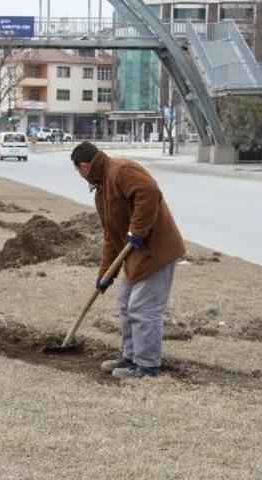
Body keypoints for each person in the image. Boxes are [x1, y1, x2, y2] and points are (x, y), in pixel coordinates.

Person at [70, 141, 186, 379]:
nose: (81, 177)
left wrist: (138, 231)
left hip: (156, 251)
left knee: (143, 308)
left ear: (83, 166)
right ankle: (131, 358)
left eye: (78, 172)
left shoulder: (120, 169)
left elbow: (149, 192)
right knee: (125, 304)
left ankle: (147, 366)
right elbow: (111, 238)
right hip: (135, 256)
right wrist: (105, 275)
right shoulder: (102, 192)